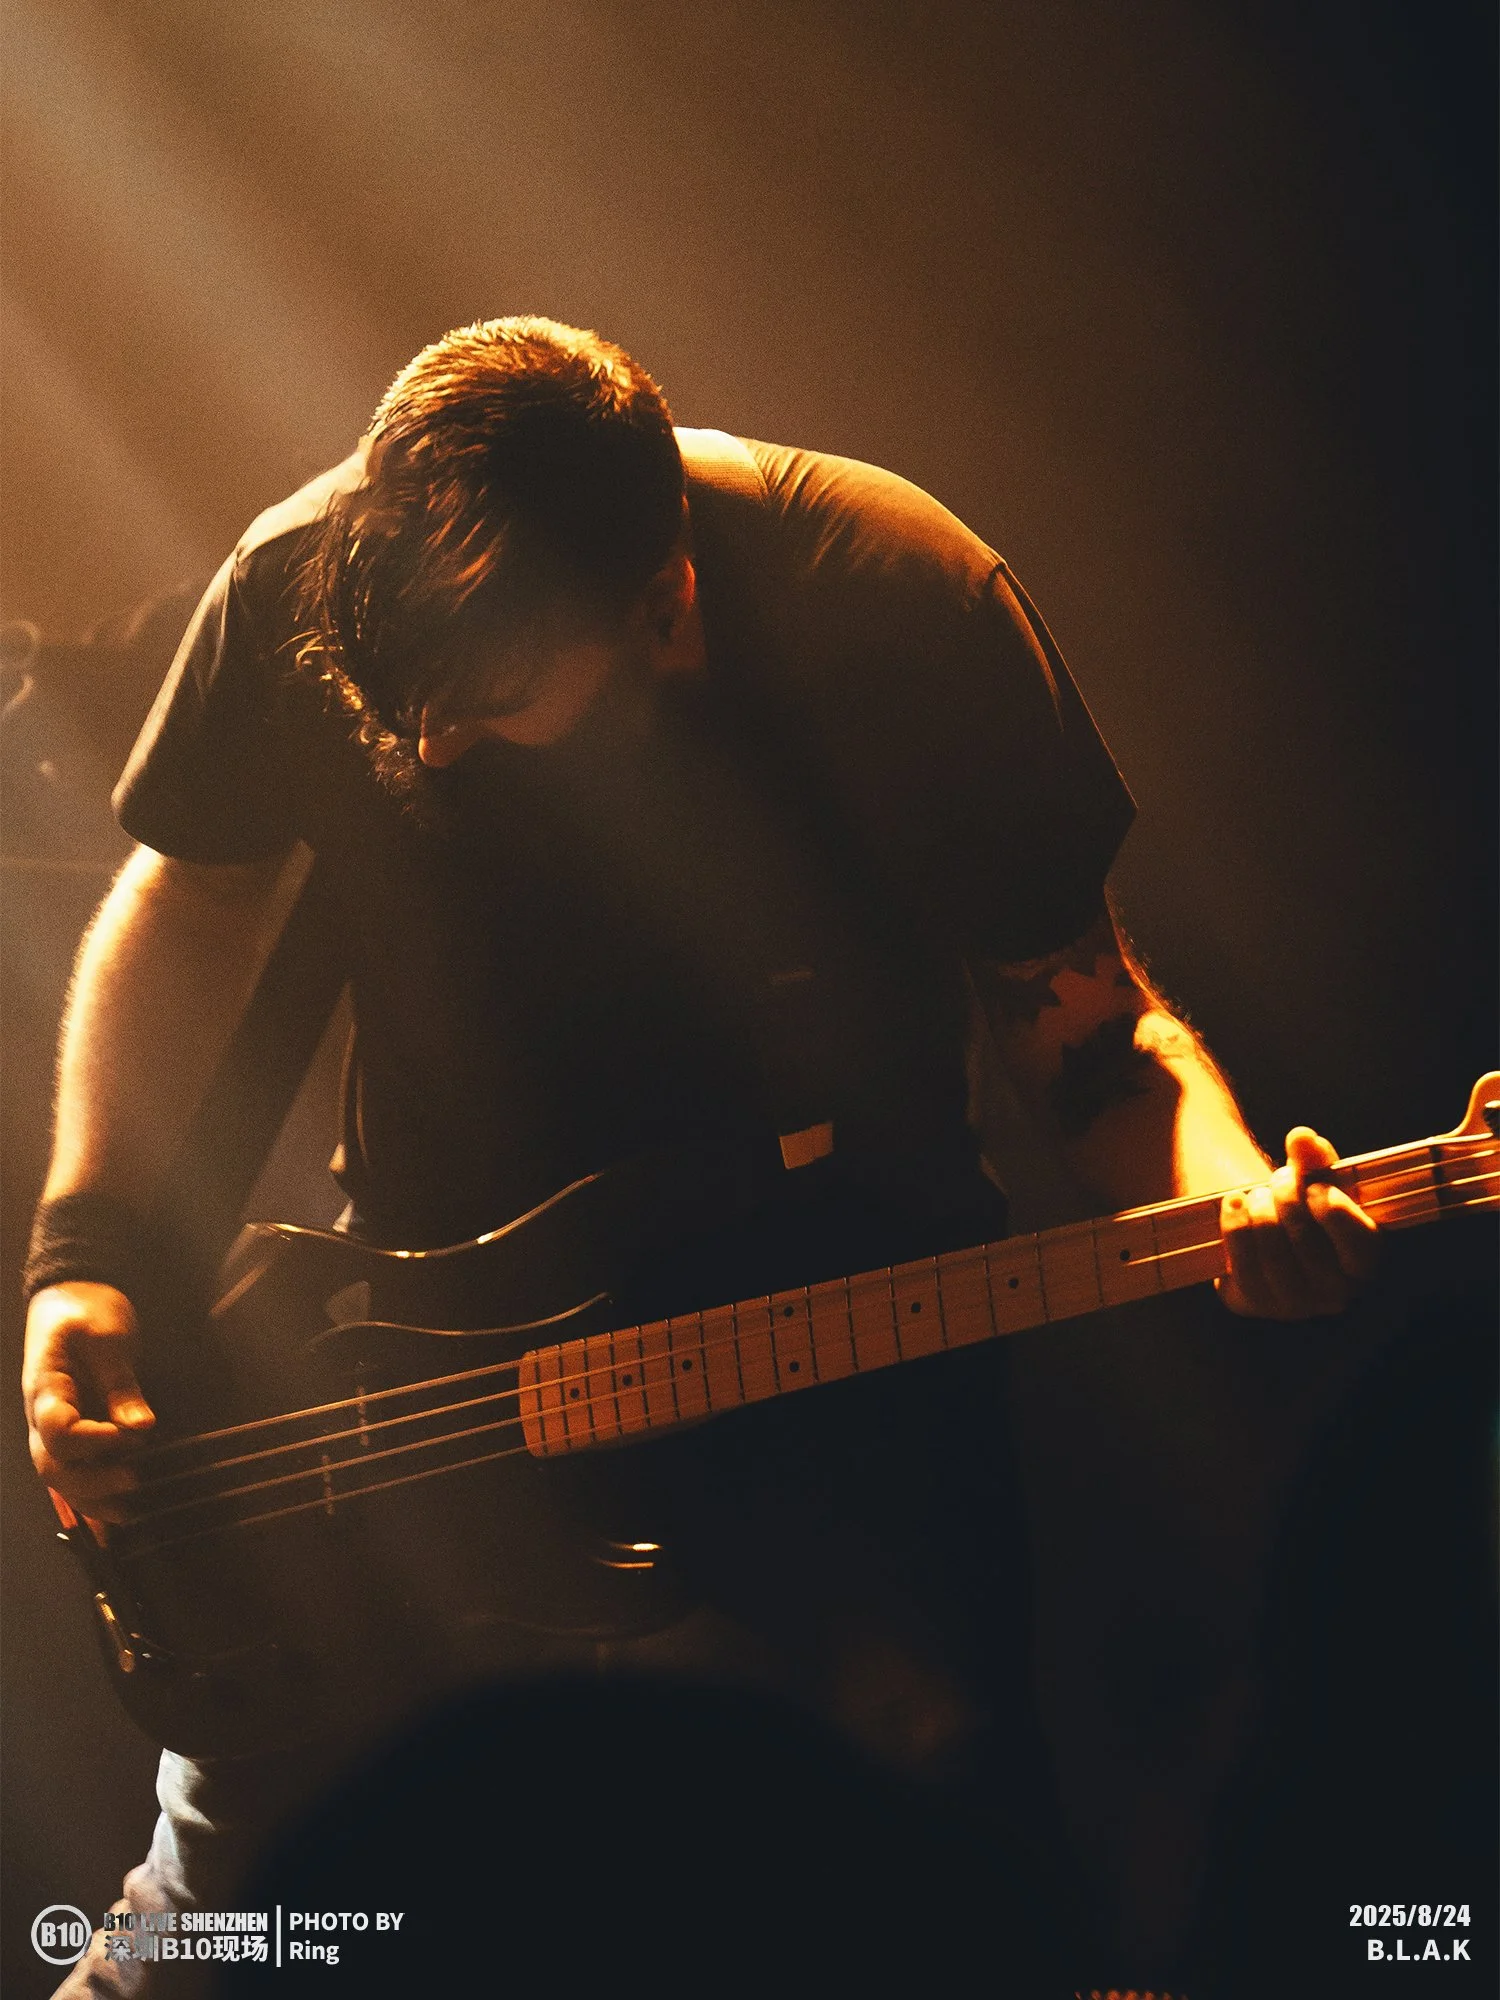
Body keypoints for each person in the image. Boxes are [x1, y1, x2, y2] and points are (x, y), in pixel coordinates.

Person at [22, 317, 1378, 1994]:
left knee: (922, 1901)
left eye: (486, 704)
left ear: (662, 606)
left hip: (840, 1372)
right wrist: (85, 1256)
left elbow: (1090, 1035)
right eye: (405, 708)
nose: (429, 749)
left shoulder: (901, 603)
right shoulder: (296, 576)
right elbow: (195, 902)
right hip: (431, 1376)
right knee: (223, 1934)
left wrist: (1235, 1203)